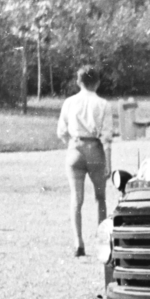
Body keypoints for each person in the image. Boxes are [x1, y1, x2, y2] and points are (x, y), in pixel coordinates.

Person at [56, 65, 116, 257]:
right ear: (97, 82)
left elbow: (61, 132)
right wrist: (108, 162)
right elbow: (107, 137)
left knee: (76, 198)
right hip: (95, 149)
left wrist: (72, 144)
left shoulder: (70, 102)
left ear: (78, 82)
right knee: (100, 198)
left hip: (75, 149)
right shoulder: (103, 104)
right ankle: (102, 242)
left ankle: (78, 242)